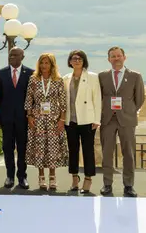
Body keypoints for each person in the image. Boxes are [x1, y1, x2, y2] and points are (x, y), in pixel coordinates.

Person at [99, 47, 145, 197]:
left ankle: (129, 185)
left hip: (127, 120)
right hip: (107, 120)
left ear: (125, 57)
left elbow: (139, 99)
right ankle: (107, 184)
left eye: (119, 56)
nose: (116, 58)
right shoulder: (102, 76)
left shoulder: (135, 76)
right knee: (107, 153)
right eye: (113, 56)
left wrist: (128, 111)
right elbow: (99, 97)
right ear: (109, 59)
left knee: (129, 154)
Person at [24, 53, 68, 190]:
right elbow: (29, 99)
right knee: (40, 148)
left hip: (54, 119)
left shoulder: (58, 80)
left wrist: (62, 119)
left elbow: (63, 101)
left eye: (47, 63)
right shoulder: (34, 79)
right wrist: (29, 116)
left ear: (52, 65)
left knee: (53, 148)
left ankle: (53, 176)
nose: (44, 65)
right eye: (42, 63)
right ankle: (41, 176)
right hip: (37, 119)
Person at [62, 50, 101, 194]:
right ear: (70, 61)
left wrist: (97, 119)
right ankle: (74, 177)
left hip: (87, 120)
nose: (77, 61)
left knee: (88, 150)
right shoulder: (66, 78)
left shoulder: (92, 77)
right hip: (70, 120)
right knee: (72, 150)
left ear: (84, 61)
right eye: (74, 58)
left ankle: (88, 179)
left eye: (80, 58)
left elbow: (97, 99)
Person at [0, 46, 33, 189]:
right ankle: (9, 176)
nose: (12, 57)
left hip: (23, 118)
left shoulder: (30, 73)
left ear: (22, 57)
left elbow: (32, 98)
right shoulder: (1, 73)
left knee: (22, 148)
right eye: (10, 55)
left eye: (15, 55)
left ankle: (22, 177)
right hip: (6, 118)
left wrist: (30, 116)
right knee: (7, 147)